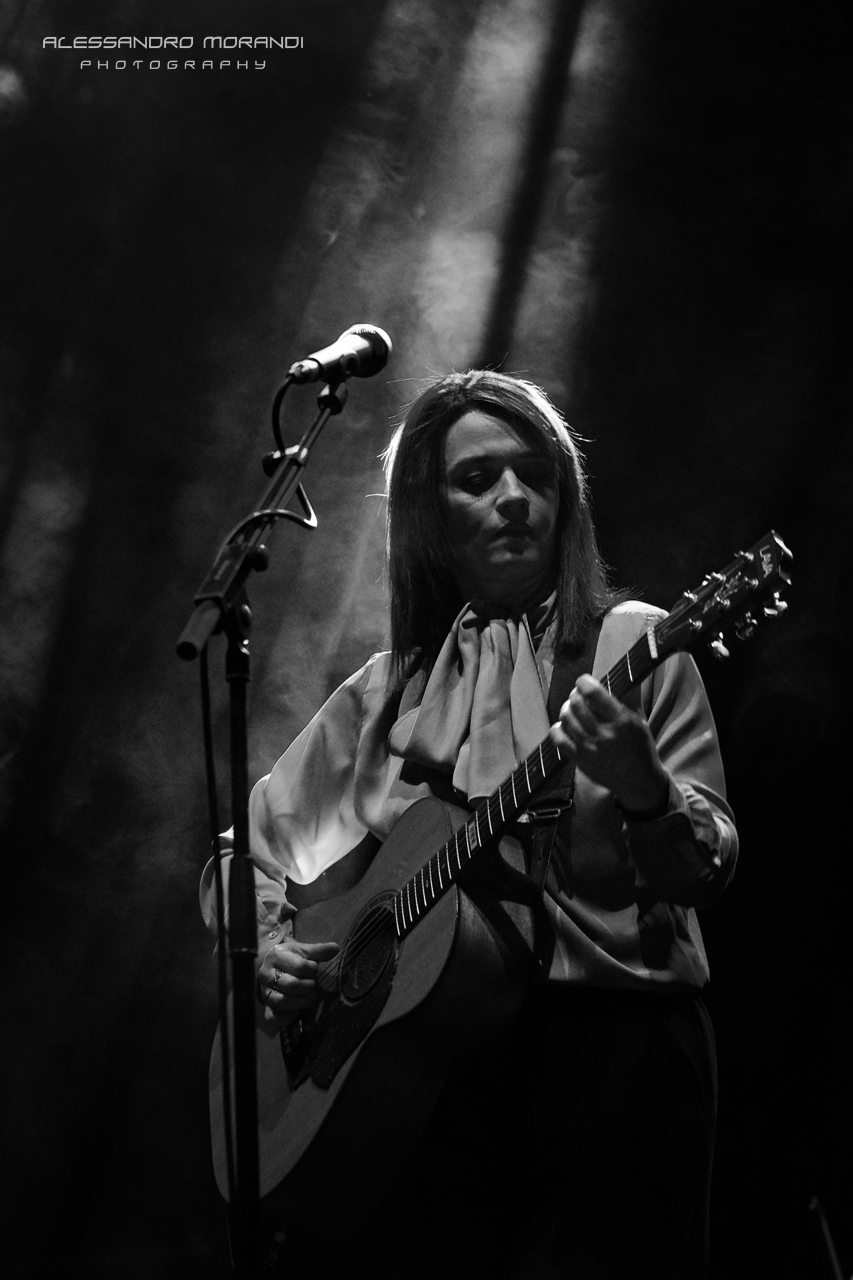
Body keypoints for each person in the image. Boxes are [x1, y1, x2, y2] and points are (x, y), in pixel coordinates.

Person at [200, 370, 738, 1279]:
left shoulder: (634, 648)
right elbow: (239, 854)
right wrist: (269, 940)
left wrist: (647, 792)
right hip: (438, 1077)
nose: (515, 499)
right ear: (428, 518)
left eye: (535, 474)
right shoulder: (386, 692)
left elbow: (705, 869)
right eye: (478, 480)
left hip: (612, 1064)